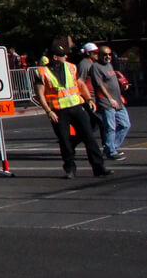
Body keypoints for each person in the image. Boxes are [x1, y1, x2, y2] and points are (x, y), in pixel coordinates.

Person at [35, 45, 108, 178]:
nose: (66, 57)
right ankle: (70, 168)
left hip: (76, 106)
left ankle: (98, 167)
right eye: (62, 55)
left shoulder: (71, 67)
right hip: (58, 110)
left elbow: (80, 84)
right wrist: (48, 111)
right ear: (55, 57)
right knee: (64, 140)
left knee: (89, 137)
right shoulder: (42, 72)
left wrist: (88, 99)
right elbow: (40, 94)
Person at [80, 43, 130, 161]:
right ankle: (111, 151)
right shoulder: (95, 67)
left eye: (109, 54)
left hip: (117, 101)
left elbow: (112, 82)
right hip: (106, 102)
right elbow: (100, 85)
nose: (108, 56)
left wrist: (121, 90)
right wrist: (109, 99)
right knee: (110, 127)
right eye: (105, 54)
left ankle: (110, 148)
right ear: (99, 55)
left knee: (125, 124)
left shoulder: (109, 65)